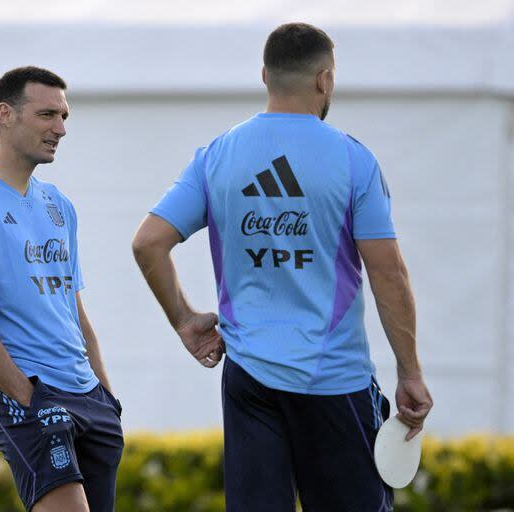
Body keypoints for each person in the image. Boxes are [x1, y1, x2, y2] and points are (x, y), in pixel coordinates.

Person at [131, 23, 433, 512]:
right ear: (325, 80)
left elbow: (148, 242)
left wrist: (186, 320)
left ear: (265, 75)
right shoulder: (354, 160)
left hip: (249, 377)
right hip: (333, 380)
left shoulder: (216, 156)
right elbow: (389, 273)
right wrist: (410, 372)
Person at [0, 66, 123, 512]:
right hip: (30, 391)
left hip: (88, 396)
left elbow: (74, 310)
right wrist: (29, 399)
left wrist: (107, 396)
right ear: (5, 114)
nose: (61, 129)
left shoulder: (59, 205)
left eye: (64, 116)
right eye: (47, 115)